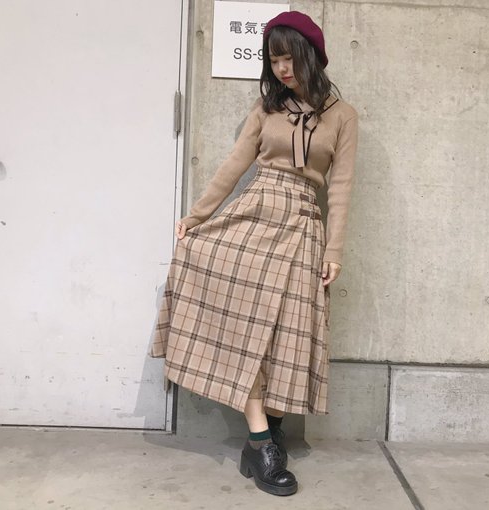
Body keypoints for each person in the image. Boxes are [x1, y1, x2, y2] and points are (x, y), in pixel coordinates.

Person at [149, 10, 358, 497]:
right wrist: (196, 217)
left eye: (289, 57)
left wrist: (335, 250)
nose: (281, 68)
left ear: (310, 55)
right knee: (245, 327)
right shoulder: (266, 109)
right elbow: (234, 164)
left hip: (303, 224)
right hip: (257, 210)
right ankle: (263, 442)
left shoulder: (343, 116)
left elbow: (341, 187)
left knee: (289, 335)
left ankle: (266, 436)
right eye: (273, 59)